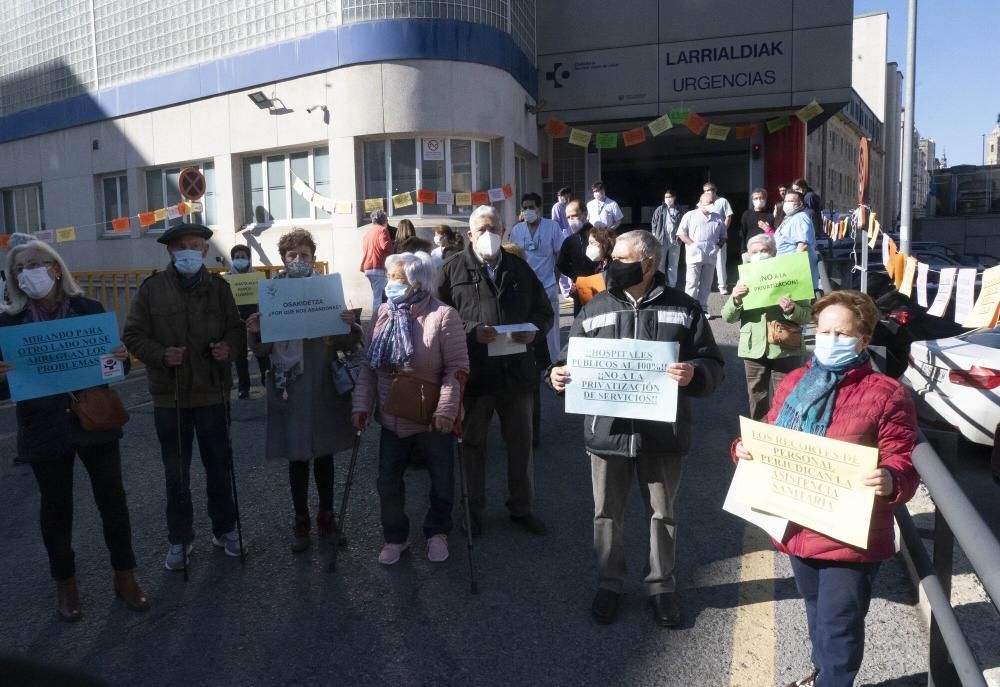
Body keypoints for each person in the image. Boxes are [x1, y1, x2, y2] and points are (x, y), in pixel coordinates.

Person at [732, 290, 918, 687]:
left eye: (842, 333)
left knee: (839, 627)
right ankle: (822, 673)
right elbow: (768, 432)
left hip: (850, 536)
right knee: (816, 610)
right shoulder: (796, 381)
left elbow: (902, 459)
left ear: (864, 339)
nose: (831, 339)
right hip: (798, 524)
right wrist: (744, 449)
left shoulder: (887, 393)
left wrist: (891, 479)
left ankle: (833, 679)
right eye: (825, 330)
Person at [549, 230, 724, 628]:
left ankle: (661, 587)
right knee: (606, 514)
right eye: (612, 257)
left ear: (648, 264)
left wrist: (695, 373)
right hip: (606, 433)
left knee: (661, 514)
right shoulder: (594, 309)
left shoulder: (686, 309)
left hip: (663, 434)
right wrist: (556, 376)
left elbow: (714, 364)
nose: (613, 265)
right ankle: (610, 584)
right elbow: (566, 360)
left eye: (623, 258)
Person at [0, 240, 149, 621]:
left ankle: (125, 575)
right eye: (18, 268)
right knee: (56, 510)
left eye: (34, 263)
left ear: (55, 268)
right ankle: (65, 584)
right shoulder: (9, 323)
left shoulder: (89, 309)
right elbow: (5, 389)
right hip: (43, 427)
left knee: (113, 502)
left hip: (93, 421)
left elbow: (114, 370)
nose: (26, 272)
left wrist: (120, 360)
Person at [123, 223, 244, 569]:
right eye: (181, 247)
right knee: (176, 474)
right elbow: (133, 335)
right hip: (169, 397)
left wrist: (228, 348)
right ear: (170, 252)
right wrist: (161, 355)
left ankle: (225, 529)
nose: (188, 252)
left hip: (212, 393)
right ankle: (180, 538)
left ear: (205, 251)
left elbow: (235, 328)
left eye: (195, 246)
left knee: (219, 468)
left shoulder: (220, 289)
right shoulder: (151, 290)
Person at [435, 205, 553, 536]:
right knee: (473, 445)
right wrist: (471, 328)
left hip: (516, 375)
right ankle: (472, 511)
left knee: (521, 444)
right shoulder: (451, 270)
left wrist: (535, 330)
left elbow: (544, 312)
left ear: (503, 233)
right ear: (469, 235)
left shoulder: (519, 269)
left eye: (494, 229)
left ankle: (522, 507)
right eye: (481, 229)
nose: (488, 235)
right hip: (475, 375)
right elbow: (436, 317)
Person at [245, 229, 362, 553]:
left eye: (304, 255)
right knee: (297, 457)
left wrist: (347, 324)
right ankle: (301, 520)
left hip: (322, 382)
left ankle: (327, 517)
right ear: (283, 259)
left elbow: (347, 342)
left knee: (324, 454)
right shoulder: (273, 294)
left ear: (314, 258)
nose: (298, 260)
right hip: (291, 385)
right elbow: (265, 351)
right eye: (292, 255)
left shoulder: (327, 291)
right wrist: (256, 333)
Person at [352, 252, 469, 564]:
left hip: (431, 416)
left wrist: (446, 409)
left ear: (418, 282)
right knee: (387, 481)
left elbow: (456, 368)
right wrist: (361, 405)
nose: (391, 285)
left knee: (441, 479)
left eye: (398, 280)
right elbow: (368, 366)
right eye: (390, 278)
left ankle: (437, 531)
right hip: (392, 415)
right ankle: (395, 536)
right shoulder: (382, 314)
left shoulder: (443, 315)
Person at [720, 234, 812, 420]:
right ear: (748, 254)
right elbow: (727, 317)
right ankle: (759, 437)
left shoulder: (789, 275)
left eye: (764, 251)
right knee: (757, 397)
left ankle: (784, 437)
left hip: (786, 347)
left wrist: (792, 309)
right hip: (753, 349)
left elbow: (808, 316)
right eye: (755, 252)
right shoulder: (744, 280)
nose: (759, 255)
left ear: (774, 252)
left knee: (787, 397)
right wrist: (736, 299)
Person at [508, 192, 565, 364]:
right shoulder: (517, 229)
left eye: (531, 207)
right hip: (526, 286)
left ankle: (554, 362)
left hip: (548, 284)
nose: (527, 211)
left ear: (539, 208)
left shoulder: (552, 226)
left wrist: (556, 277)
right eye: (524, 208)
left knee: (551, 326)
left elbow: (560, 253)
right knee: (527, 324)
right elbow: (514, 256)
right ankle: (529, 360)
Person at [228, 244, 269, 399]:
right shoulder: (228, 278)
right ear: (232, 259)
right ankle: (243, 387)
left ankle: (267, 382)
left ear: (248, 259)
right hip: (237, 320)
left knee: (261, 353)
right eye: (237, 257)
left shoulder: (257, 277)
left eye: (243, 257)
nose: (240, 260)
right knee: (240, 356)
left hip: (255, 319)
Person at [677, 192, 727, 316]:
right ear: (700, 203)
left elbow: (723, 236)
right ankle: (689, 307)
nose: (712, 205)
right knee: (692, 282)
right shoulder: (690, 215)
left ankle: (703, 308)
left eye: (713, 202)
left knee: (706, 283)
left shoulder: (718, 217)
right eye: (709, 203)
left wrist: (718, 246)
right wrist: (692, 244)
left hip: (710, 253)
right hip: (694, 254)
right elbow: (681, 234)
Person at [555, 200, 595, 316]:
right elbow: (561, 264)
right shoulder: (569, 241)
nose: (571, 220)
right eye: (568, 217)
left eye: (575, 215)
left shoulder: (601, 235)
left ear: (585, 213)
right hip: (581, 288)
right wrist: (575, 277)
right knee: (582, 322)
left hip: (601, 288)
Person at [775, 190, 820, 291]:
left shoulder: (801, 218)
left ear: (799, 203)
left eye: (790, 201)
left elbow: (803, 246)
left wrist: (794, 270)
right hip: (784, 271)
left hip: (794, 275)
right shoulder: (789, 218)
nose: (786, 204)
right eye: (785, 201)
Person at [360, 210, 394, 320]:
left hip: (369, 267)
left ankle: (378, 319)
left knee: (377, 294)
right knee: (379, 297)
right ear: (383, 220)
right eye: (386, 219)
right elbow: (385, 246)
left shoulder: (368, 233)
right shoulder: (382, 230)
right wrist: (394, 244)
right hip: (378, 266)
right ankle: (377, 321)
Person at [703, 182, 734, 295]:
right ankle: (707, 285)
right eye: (705, 190)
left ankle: (722, 285)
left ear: (715, 189)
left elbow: (728, 216)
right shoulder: (702, 202)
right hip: (706, 238)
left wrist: (723, 231)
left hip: (720, 237)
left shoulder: (723, 201)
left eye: (710, 189)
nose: (708, 192)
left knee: (720, 262)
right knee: (706, 262)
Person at [651, 189, 683, 287]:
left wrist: (681, 238)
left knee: (673, 264)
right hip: (661, 240)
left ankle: (672, 284)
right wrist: (654, 236)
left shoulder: (679, 210)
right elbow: (654, 223)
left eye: (670, 197)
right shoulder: (660, 209)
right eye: (666, 197)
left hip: (675, 240)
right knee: (660, 263)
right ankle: (661, 283)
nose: (668, 199)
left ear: (674, 198)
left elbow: (683, 224)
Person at [740, 188, 774, 252]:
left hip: (766, 250)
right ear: (752, 200)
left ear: (766, 199)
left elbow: (775, 233)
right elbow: (743, 234)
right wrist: (743, 251)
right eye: (756, 198)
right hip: (750, 250)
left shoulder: (771, 214)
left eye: (761, 198)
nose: (758, 200)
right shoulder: (747, 214)